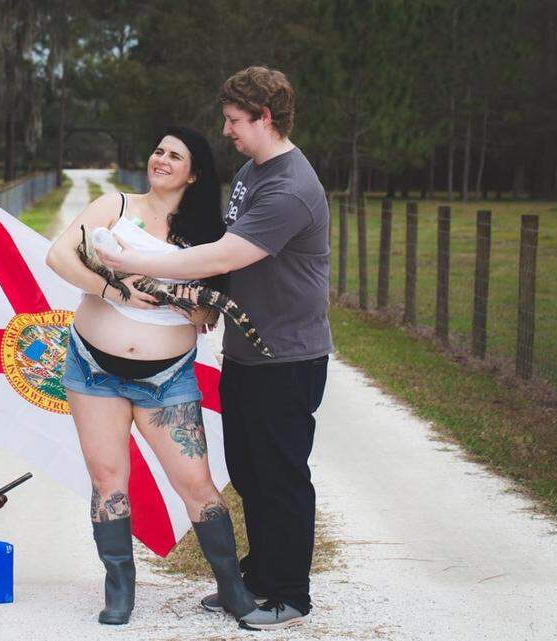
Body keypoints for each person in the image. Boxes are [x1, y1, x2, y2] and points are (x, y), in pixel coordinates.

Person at [98, 66, 332, 630]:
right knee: (249, 472)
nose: (226, 131)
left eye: (234, 120)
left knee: (281, 476)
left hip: (288, 356)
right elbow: (227, 258)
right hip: (248, 352)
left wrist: (135, 261)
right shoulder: (254, 171)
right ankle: (258, 579)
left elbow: (225, 254)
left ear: (264, 118)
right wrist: (202, 304)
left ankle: (290, 594)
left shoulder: (291, 188)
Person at [45, 126, 258, 625]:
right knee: (108, 479)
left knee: (197, 484)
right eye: (158, 151)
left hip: (167, 380)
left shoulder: (208, 235)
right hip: (93, 370)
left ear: (194, 173)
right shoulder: (115, 207)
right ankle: (119, 588)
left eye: (175, 156)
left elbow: (207, 312)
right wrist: (113, 290)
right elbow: (58, 256)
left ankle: (232, 587)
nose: (161, 159)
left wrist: (185, 303)